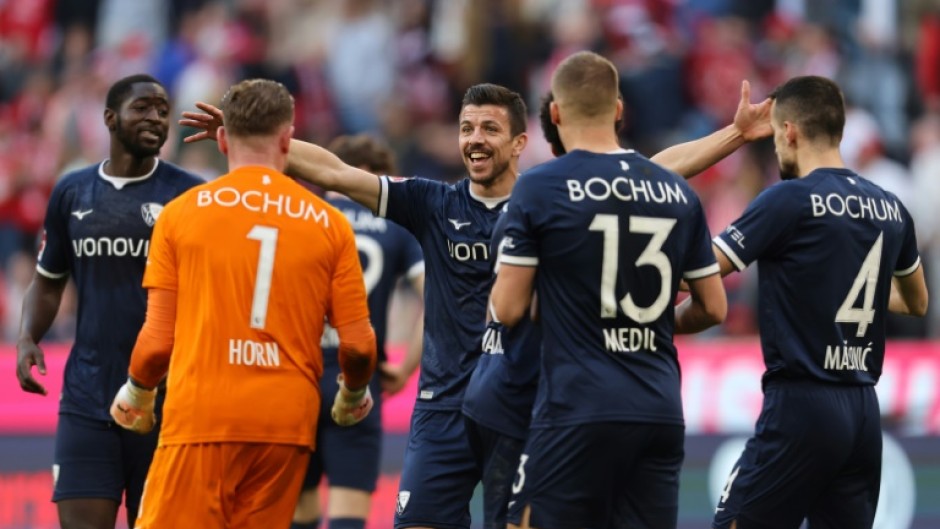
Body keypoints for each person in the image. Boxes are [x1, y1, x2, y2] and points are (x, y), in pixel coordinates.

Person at [180, 75, 770, 529]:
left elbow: (653, 170)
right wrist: (253, 140)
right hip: (441, 408)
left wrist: (735, 136)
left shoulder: (552, 196)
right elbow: (338, 174)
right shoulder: (434, 203)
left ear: (518, 142)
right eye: (465, 128)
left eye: (488, 129)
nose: (473, 140)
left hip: (524, 406)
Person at [107, 78, 377, 528]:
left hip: (203, 414)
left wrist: (138, 392)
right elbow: (359, 346)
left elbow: (157, 341)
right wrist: (352, 394)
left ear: (222, 138)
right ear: (288, 139)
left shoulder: (180, 215)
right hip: (285, 422)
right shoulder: (330, 224)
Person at [490, 51, 729, 529]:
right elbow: (714, 308)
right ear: (619, 109)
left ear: (554, 114)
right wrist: (659, 323)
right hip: (659, 408)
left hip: (577, 407)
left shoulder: (539, 187)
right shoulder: (677, 192)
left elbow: (508, 307)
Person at [709, 76, 928, 529]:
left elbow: (701, 271)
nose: (775, 151)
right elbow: (917, 301)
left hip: (801, 404)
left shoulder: (788, 200)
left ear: (789, 131)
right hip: (863, 409)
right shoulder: (890, 206)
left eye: (774, 138)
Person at [14, 73, 204, 529]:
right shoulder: (72, 191)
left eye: (163, 110)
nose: (156, 118)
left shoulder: (191, 195)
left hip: (167, 403)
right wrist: (26, 337)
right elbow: (47, 280)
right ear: (110, 119)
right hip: (87, 398)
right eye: (143, 108)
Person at [292, 134, 425, 529]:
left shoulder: (304, 215)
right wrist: (405, 369)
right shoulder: (393, 226)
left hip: (299, 375)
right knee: (349, 516)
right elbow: (435, 300)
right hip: (358, 380)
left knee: (300, 511)